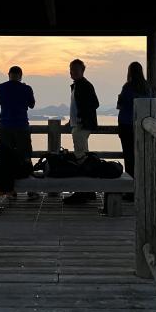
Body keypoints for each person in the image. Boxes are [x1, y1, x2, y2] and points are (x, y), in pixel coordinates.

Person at [0, 66, 39, 200]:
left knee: (6, 159)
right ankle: (31, 191)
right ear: (21, 75)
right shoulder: (26, 88)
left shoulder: (0, 87)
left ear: (9, 74)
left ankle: (10, 191)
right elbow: (32, 105)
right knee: (25, 157)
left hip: (5, 127)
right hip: (22, 127)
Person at [63, 59, 100, 204]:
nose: (73, 72)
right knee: (82, 155)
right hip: (77, 125)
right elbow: (75, 107)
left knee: (81, 157)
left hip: (82, 126)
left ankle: (83, 191)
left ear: (82, 71)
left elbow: (94, 103)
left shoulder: (85, 85)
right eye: (71, 69)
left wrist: (81, 118)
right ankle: (87, 190)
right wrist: (71, 121)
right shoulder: (76, 86)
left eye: (76, 70)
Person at [117, 62, 151, 190]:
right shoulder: (147, 88)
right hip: (142, 126)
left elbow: (121, 104)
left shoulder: (128, 87)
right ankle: (141, 187)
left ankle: (130, 189)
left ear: (130, 72)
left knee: (129, 156)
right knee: (140, 156)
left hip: (126, 125)